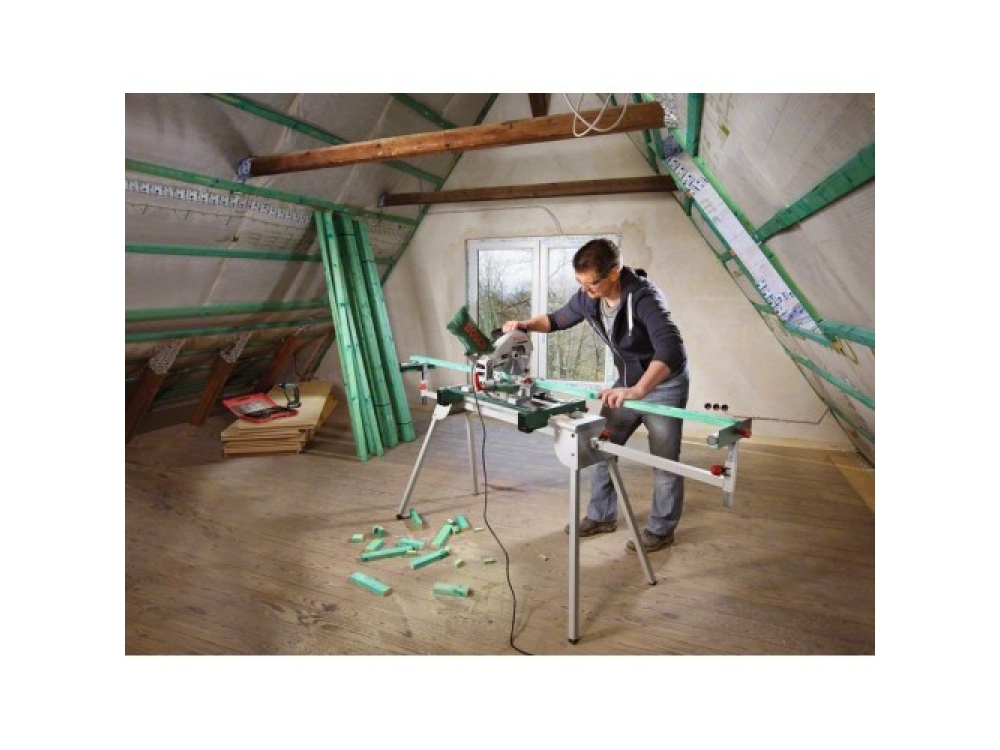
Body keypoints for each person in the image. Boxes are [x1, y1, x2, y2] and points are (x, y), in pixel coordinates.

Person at [502, 238, 689, 553]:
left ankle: (661, 530)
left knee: (664, 462)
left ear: (614, 273)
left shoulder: (645, 299)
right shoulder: (589, 297)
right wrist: (524, 324)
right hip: (625, 385)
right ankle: (602, 516)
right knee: (599, 447)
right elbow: (556, 320)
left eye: (592, 284)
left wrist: (639, 390)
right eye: (580, 283)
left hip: (663, 387)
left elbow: (671, 350)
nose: (585, 290)